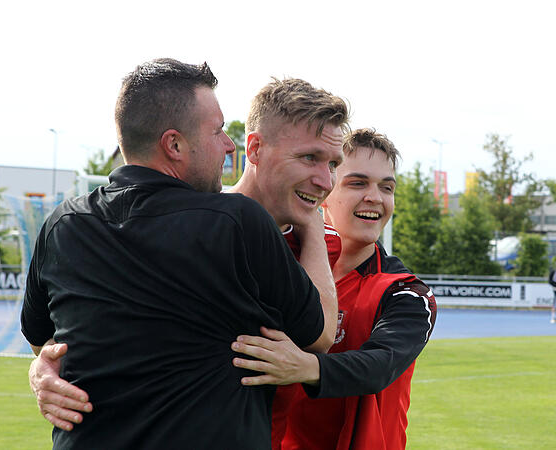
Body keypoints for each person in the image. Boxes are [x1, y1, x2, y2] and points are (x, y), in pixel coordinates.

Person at [21, 59, 338, 449]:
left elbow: (43, 342)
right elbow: (321, 334)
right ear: (174, 145)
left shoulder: (63, 225)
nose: (229, 144)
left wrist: (42, 370)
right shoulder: (236, 223)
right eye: (218, 131)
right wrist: (313, 225)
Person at [231, 129, 438, 450]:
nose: (375, 197)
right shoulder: (277, 260)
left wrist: (305, 366)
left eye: (387, 187)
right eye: (357, 183)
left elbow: (381, 364)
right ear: (324, 187)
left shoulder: (406, 292)